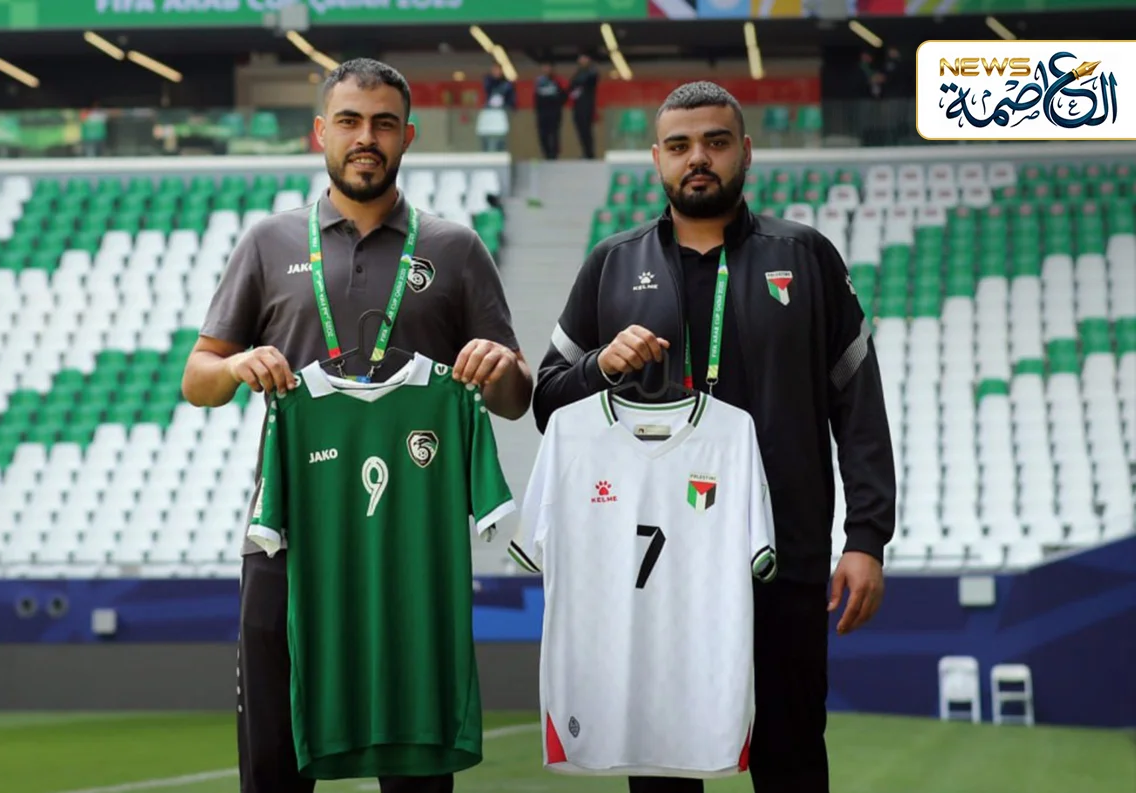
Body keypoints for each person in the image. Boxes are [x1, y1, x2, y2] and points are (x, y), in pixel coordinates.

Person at [530, 81, 896, 793]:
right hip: (657, 569)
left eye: (715, 142)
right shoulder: (612, 262)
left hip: (783, 556)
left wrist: (866, 538)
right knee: (661, 767)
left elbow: (858, 405)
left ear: (745, 152)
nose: (697, 158)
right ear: (657, 159)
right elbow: (546, 399)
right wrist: (601, 366)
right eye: (679, 145)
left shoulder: (806, 255)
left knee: (792, 757)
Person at [181, 57, 533, 793]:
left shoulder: (455, 247)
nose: (365, 137)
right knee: (274, 765)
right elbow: (196, 379)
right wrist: (237, 364)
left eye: (382, 124)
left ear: (407, 136)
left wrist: (499, 366)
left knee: (413, 766)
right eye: (348, 121)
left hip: (410, 544)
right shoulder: (268, 242)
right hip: (288, 537)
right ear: (321, 133)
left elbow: (515, 397)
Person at [533, 61, 568, 160]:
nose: (546, 69)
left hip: (554, 111)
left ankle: (554, 155)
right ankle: (546, 154)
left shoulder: (557, 81)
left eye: (548, 67)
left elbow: (564, 95)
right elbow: (536, 97)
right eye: (544, 67)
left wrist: (557, 104)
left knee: (554, 133)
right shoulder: (538, 82)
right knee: (543, 134)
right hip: (542, 112)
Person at [567, 52, 599, 159]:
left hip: (587, 106)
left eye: (584, 58)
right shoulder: (577, 72)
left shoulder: (592, 71)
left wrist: (578, 84)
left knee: (586, 129)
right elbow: (571, 85)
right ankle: (585, 152)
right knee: (580, 130)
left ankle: (590, 153)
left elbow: (588, 80)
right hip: (577, 106)